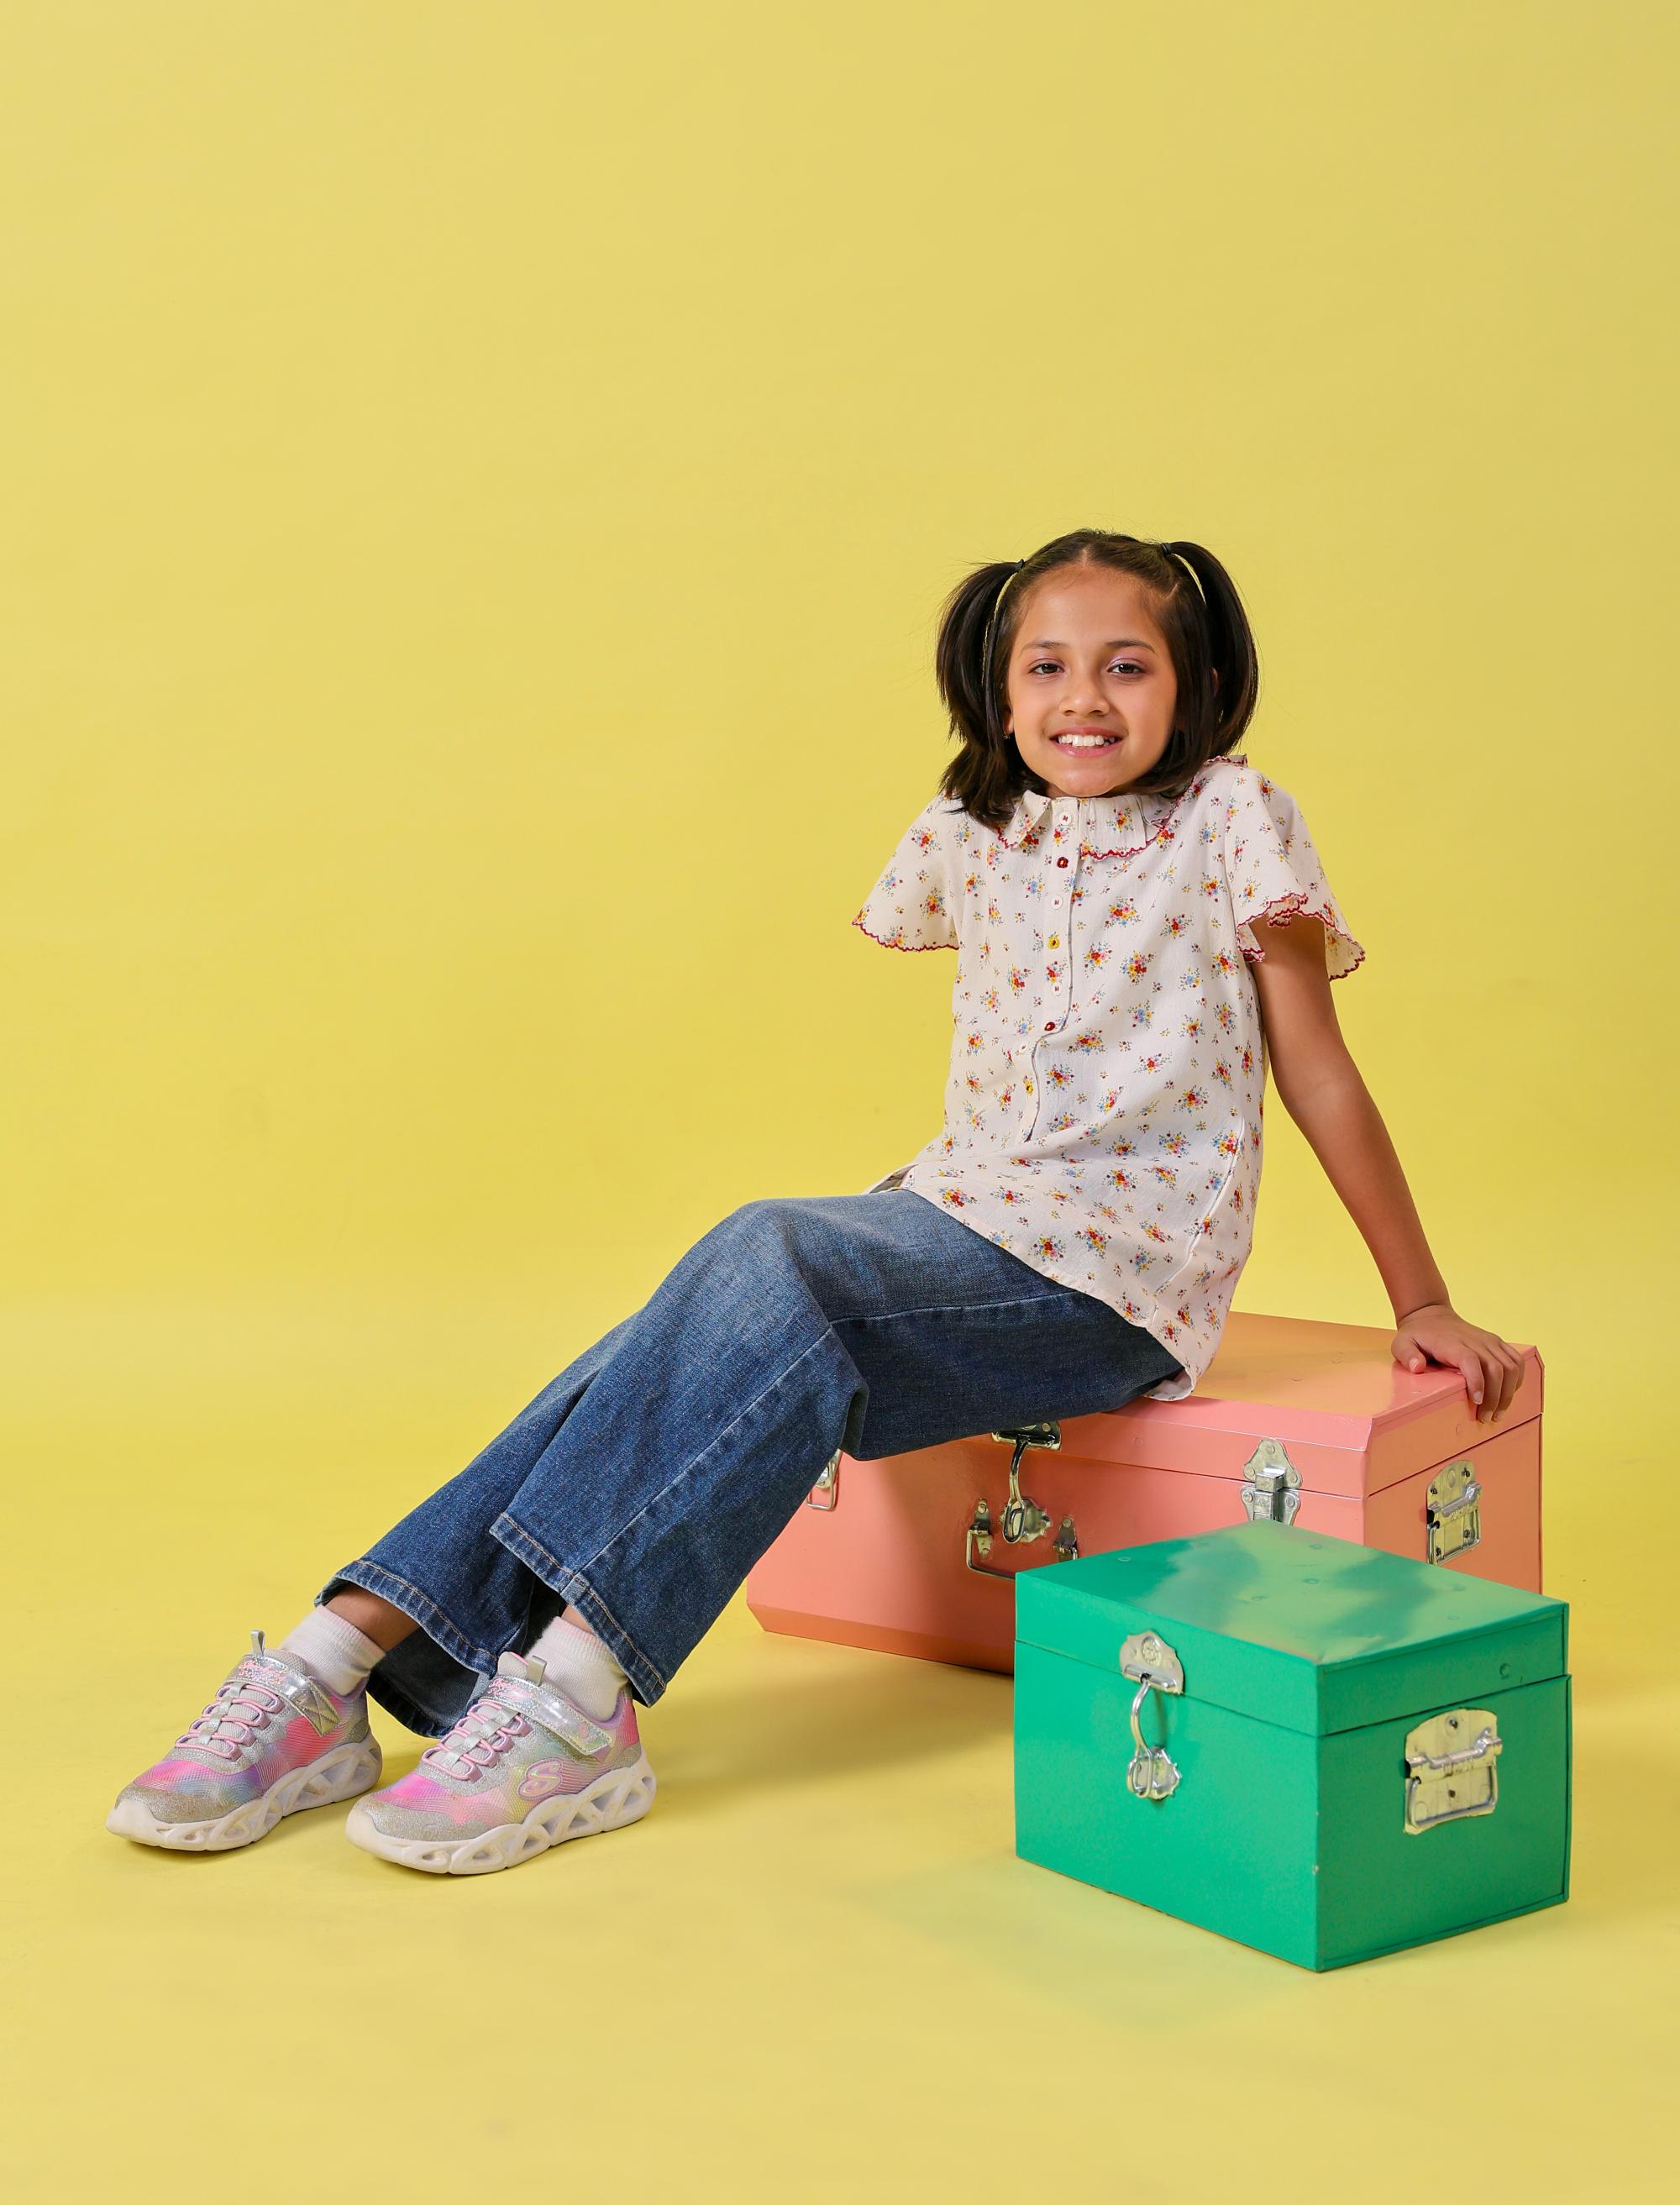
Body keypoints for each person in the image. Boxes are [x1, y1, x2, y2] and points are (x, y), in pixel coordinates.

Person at [106, 529, 1539, 1877]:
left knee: (767, 1249)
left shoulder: (1236, 818)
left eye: (1127, 665)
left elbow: (1320, 1071)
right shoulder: (976, 825)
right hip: (951, 1223)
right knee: (703, 1316)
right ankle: (336, 1661)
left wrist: (1418, 1295)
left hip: (1118, 1281)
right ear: (996, 684)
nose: (1083, 698)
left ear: (1196, 683)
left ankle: (568, 1696)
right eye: (1045, 665)